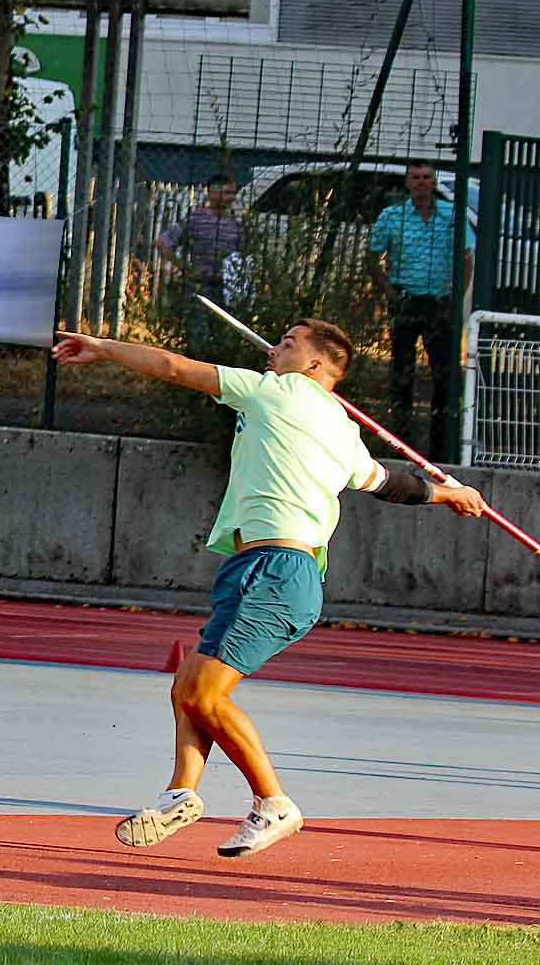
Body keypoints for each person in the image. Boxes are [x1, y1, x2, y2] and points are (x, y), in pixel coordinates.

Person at [52, 320, 486, 858]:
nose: (273, 348)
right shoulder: (342, 428)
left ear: (315, 365)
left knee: (202, 693)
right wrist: (450, 494)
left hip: (279, 571)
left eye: (287, 343)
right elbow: (387, 484)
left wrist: (102, 347)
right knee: (188, 684)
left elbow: (172, 367)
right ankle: (181, 792)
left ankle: (273, 803)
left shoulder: (273, 390)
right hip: (260, 567)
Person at [368, 160, 475, 458]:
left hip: (439, 302)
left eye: (426, 177)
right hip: (406, 298)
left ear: (433, 182)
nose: (420, 182)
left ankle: (441, 447)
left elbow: (467, 256)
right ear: (407, 183)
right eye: (415, 177)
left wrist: (455, 297)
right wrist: (391, 293)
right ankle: (400, 441)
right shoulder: (392, 216)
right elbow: (373, 258)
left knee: (444, 374)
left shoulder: (451, 216)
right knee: (402, 371)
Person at [156, 174, 244, 354]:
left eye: (232, 193)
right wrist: (186, 268)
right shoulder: (195, 219)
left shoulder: (237, 225)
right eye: (226, 192)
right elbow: (163, 243)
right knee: (196, 334)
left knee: (224, 334)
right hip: (199, 285)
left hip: (226, 288)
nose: (231, 198)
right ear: (211, 193)